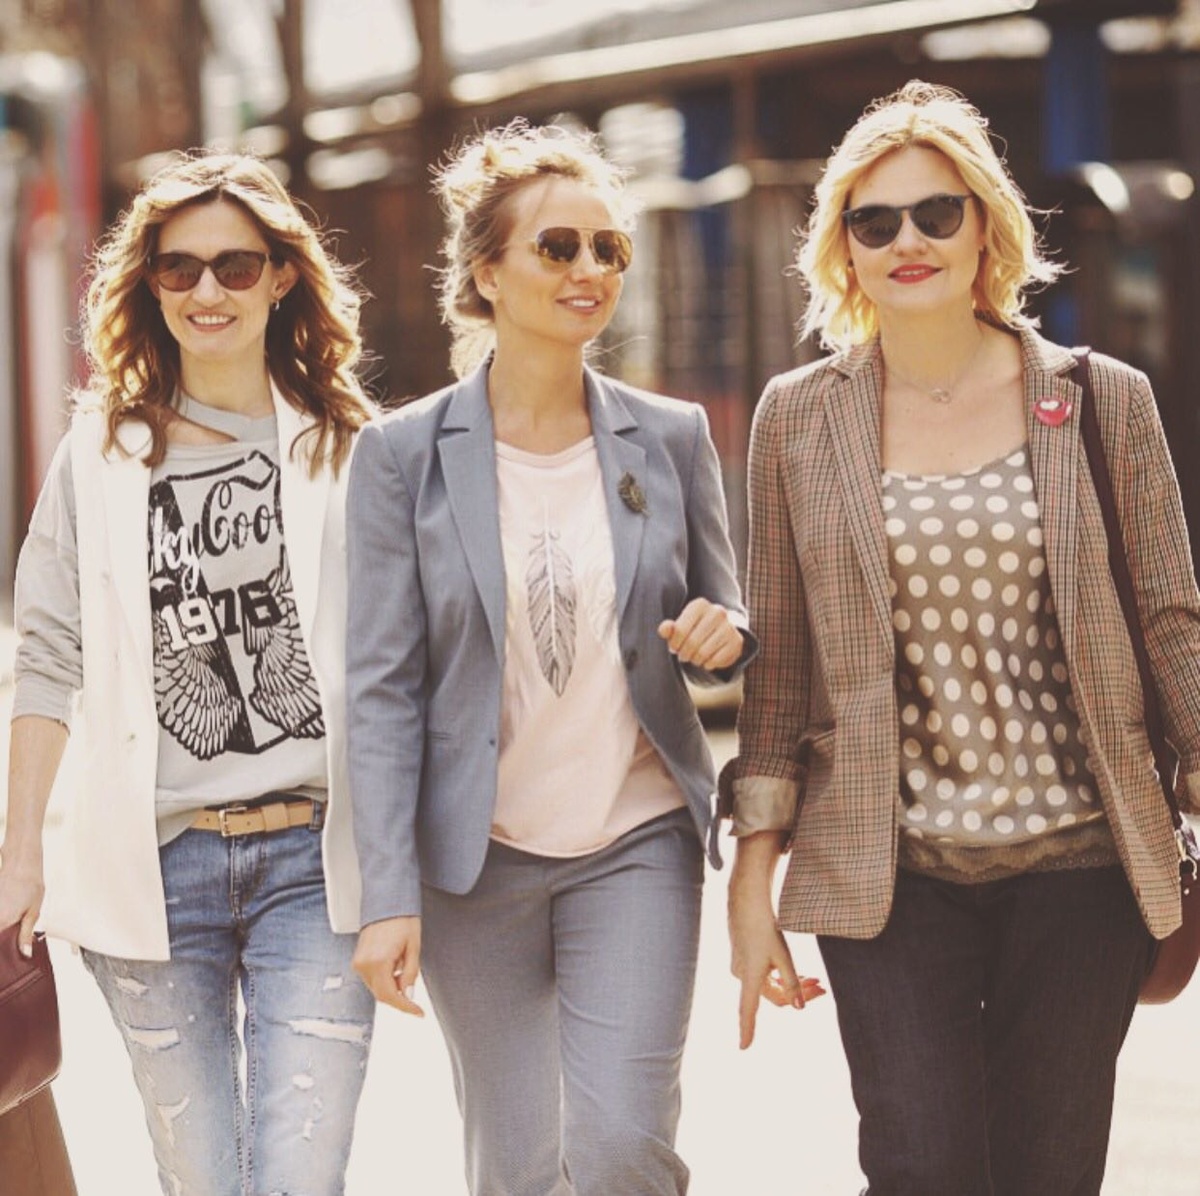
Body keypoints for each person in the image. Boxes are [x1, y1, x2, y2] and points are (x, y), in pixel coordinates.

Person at [724, 80, 1200, 1196]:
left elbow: (1172, 622)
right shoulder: (797, 416)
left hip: (1081, 864)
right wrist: (753, 877)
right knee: (922, 1166)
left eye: (938, 212)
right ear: (843, 246)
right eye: (874, 220)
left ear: (987, 226)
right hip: (888, 868)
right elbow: (780, 669)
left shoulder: (1102, 400)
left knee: (1049, 1173)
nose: (909, 241)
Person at [346, 120, 780, 1196]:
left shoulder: (669, 436)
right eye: (558, 247)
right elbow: (382, 689)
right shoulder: (400, 456)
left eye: (608, 248)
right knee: (518, 1165)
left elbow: (723, 612)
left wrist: (725, 633)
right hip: (475, 862)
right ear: (486, 272)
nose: (589, 269)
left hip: (634, 839)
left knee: (623, 1141)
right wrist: (386, 891)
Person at [0, 150, 377, 1196]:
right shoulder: (97, 455)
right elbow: (47, 653)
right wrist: (18, 855)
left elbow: (404, 663)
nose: (208, 290)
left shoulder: (349, 451)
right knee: (205, 1178)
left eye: (235, 265)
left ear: (281, 276)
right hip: (155, 868)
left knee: (298, 1176)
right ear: (151, 284)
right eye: (179, 268)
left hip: (315, 863)